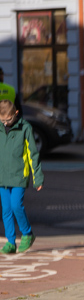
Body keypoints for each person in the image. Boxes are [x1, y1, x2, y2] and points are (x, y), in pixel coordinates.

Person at [0, 99, 43, 254]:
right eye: (2, 120)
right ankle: (11, 242)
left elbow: (33, 154)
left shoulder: (25, 128)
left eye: (9, 119)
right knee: (6, 210)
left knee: (16, 205)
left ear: (16, 113)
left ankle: (27, 234)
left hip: (19, 175)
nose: (6, 123)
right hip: (2, 177)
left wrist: (37, 177)